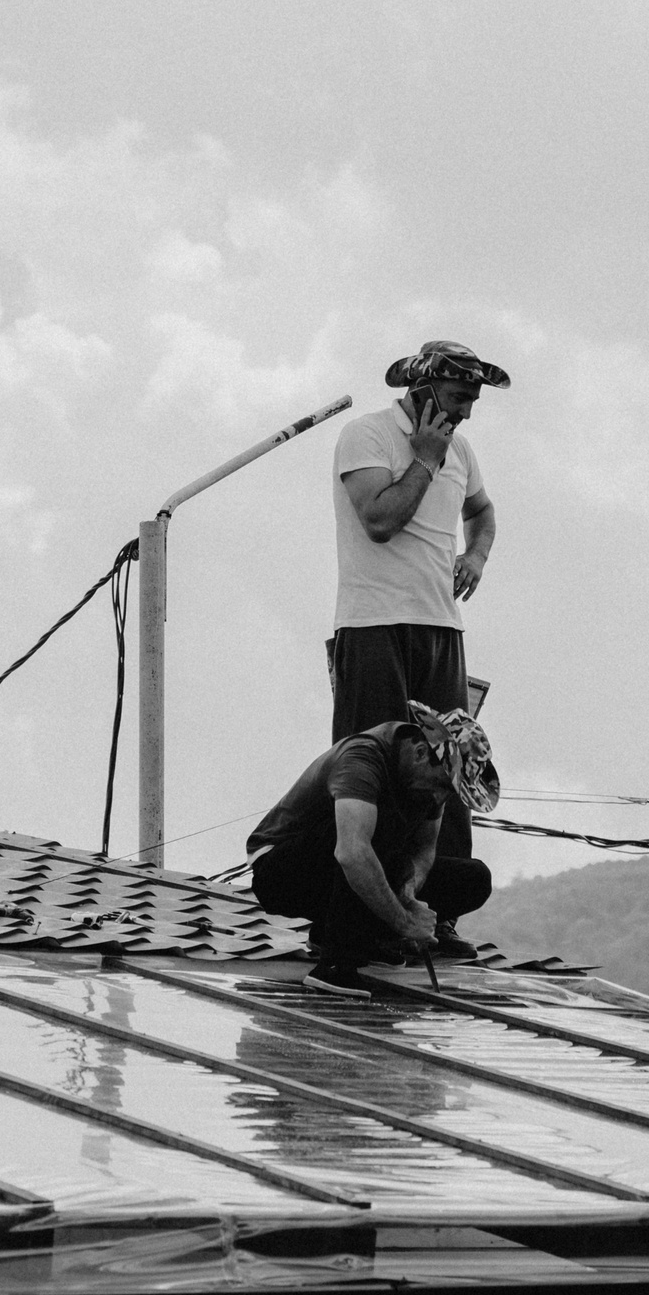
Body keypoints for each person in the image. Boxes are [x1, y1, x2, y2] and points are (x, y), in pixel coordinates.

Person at [329, 340, 507, 857]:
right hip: (374, 624)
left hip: (441, 627)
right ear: (423, 389)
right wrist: (425, 461)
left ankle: (440, 905)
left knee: (450, 769)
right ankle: (367, 900)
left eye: (473, 400)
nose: (465, 412)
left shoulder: (463, 451)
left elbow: (483, 512)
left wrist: (475, 557)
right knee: (372, 770)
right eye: (457, 397)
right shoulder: (367, 434)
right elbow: (380, 521)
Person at [245, 701, 501, 994]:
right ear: (420, 754)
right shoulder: (363, 759)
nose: (440, 798)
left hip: (357, 864)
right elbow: (352, 854)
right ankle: (335, 965)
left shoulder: (432, 785)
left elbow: (424, 852)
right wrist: (404, 923)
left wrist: (407, 892)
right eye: (442, 786)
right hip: (281, 871)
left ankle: (353, 934)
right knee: (373, 832)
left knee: (473, 879)